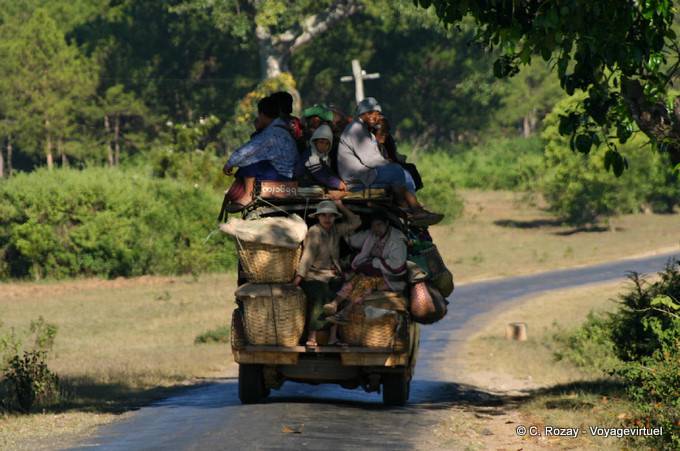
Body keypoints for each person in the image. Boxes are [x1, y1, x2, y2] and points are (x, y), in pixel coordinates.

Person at [336, 97, 442, 226]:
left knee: (405, 173)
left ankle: (415, 209)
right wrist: (389, 164)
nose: (377, 118)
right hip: (357, 177)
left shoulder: (362, 128)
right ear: (366, 114)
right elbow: (370, 159)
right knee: (396, 171)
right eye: (375, 114)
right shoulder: (356, 129)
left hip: (364, 172)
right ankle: (406, 208)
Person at [294, 199, 362, 346]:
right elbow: (307, 258)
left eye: (331, 215)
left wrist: (340, 206)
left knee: (343, 293)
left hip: (332, 275)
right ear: (318, 217)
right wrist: (297, 280)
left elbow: (356, 222)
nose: (327, 219)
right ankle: (311, 338)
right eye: (323, 215)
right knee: (322, 296)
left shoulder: (335, 230)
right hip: (313, 276)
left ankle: (333, 338)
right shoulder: (314, 232)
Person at [326, 210, 408, 325]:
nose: (376, 229)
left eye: (379, 225)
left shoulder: (397, 240)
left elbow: (397, 266)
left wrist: (375, 263)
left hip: (391, 279)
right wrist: (344, 229)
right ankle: (334, 304)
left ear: (387, 223)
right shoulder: (372, 234)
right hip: (374, 274)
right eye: (373, 226)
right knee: (355, 279)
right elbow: (355, 240)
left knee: (364, 281)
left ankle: (346, 311)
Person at [223, 95, 299, 211]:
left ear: (262, 114)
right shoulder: (281, 129)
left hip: (282, 176)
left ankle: (248, 196)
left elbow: (247, 150)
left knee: (249, 161)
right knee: (252, 161)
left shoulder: (272, 133)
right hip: (286, 173)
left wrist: (229, 163)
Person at [372, 117, 424, 191]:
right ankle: (407, 198)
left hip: (386, 166)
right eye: (382, 132)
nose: (385, 135)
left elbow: (391, 155)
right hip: (377, 171)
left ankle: (410, 195)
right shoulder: (372, 143)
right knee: (405, 173)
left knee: (409, 169)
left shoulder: (383, 144)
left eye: (386, 132)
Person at [299, 124, 347, 191]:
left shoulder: (322, 156)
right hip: (303, 187)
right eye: (321, 142)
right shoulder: (310, 156)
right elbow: (320, 174)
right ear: (315, 142)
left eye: (327, 143)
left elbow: (327, 170)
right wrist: (337, 183)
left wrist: (339, 180)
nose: (324, 146)